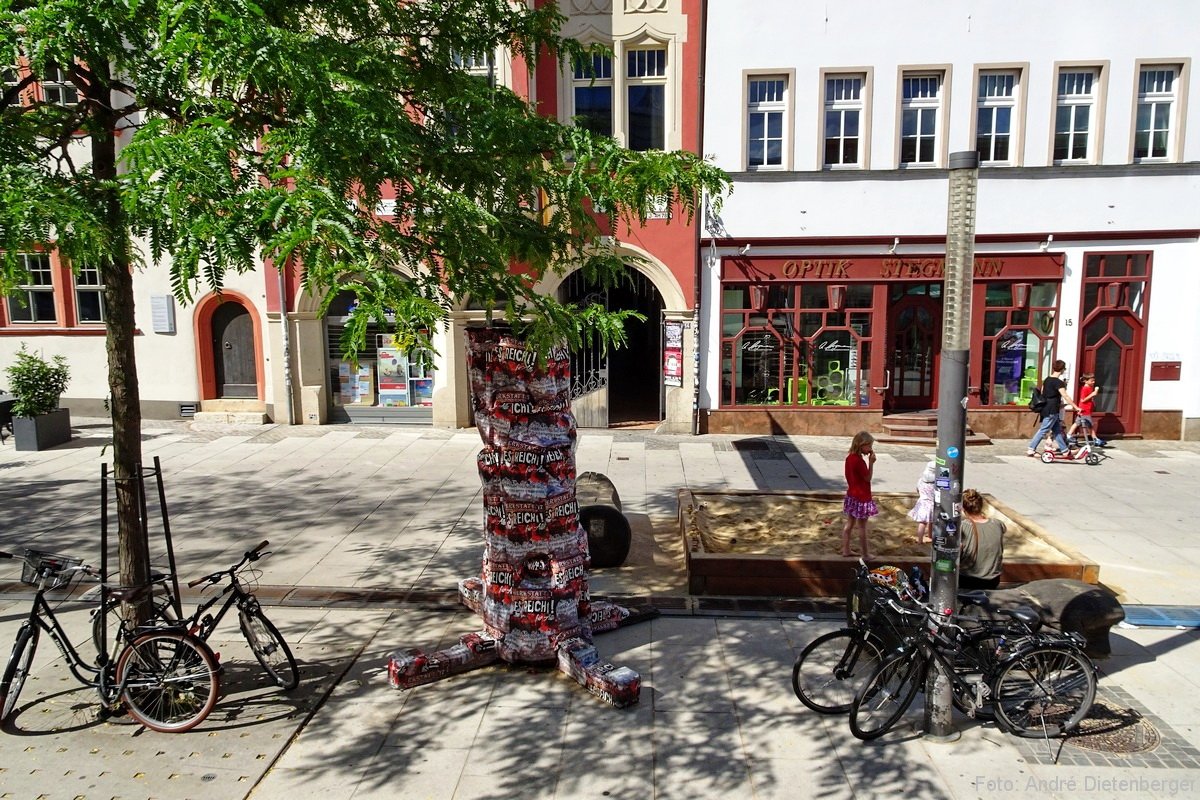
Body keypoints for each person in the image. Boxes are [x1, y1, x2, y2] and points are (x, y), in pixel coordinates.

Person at [959, 488, 1005, 590]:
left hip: (968, 580)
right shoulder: (998, 524)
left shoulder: (963, 527)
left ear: (962, 509)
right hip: (993, 580)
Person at [1026, 359, 1075, 457]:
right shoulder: (1058, 382)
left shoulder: (1047, 379)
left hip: (1046, 408)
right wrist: (1075, 406)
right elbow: (1065, 396)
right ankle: (1031, 449)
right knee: (1043, 430)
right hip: (1052, 409)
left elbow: (1043, 393)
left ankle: (1065, 451)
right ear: (1062, 370)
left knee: (1057, 430)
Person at [841, 431, 878, 559]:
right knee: (862, 526)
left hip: (852, 495)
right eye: (868, 446)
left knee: (850, 523)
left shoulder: (849, 458)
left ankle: (846, 550)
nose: (870, 449)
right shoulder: (859, 461)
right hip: (862, 497)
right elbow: (867, 478)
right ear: (860, 445)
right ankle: (866, 554)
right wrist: (871, 463)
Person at [1066, 373, 1102, 446]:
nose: (1093, 382)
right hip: (1084, 410)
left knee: (1077, 423)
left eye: (1094, 380)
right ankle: (1095, 439)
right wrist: (1093, 394)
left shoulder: (1089, 388)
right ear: (1086, 381)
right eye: (1092, 381)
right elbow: (1083, 400)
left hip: (1085, 410)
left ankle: (1069, 435)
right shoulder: (1085, 389)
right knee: (1089, 425)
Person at [907, 460, 936, 545]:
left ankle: (920, 539)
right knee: (931, 521)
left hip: (922, 503)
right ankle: (930, 536)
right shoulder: (935, 484)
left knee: (922, 523)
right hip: (932, 504)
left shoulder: (921, 481)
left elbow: (917, 489)